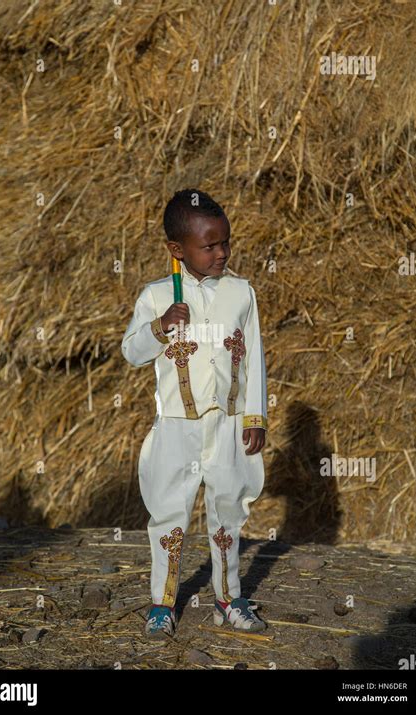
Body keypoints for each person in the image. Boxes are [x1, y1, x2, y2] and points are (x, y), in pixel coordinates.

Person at [121, 189, 268, 638]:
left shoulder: (241, 293)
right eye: (209, 246)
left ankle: (228, 597)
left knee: (227, 511)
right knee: (169, 513)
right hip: (175, 430)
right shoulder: (157, 296)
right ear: (176, 250)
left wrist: (254, 417)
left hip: (225, 426)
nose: (221, 253)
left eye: (225, 243)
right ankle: (163, 602)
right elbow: (131, 352)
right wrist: (160, 327)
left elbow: (256, 357)